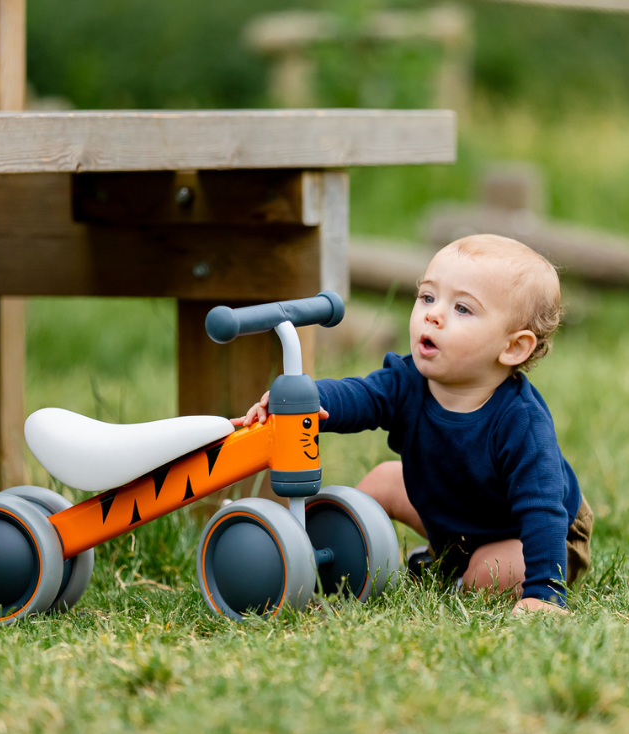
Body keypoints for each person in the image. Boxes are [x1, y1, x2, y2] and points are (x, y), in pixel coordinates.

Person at [237, 234, 592, 614]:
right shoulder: (407, 382)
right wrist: (304, 402)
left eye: (462, 309)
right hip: (453, 515)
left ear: (512, 347)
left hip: (534, 535)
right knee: (383, 480)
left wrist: (544, 593)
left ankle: (450, 574)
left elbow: (543, 510)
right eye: (427, 297)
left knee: (490, 574)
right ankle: (318, 555)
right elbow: (361, 396)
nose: (433, 314)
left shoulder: (521, 422)